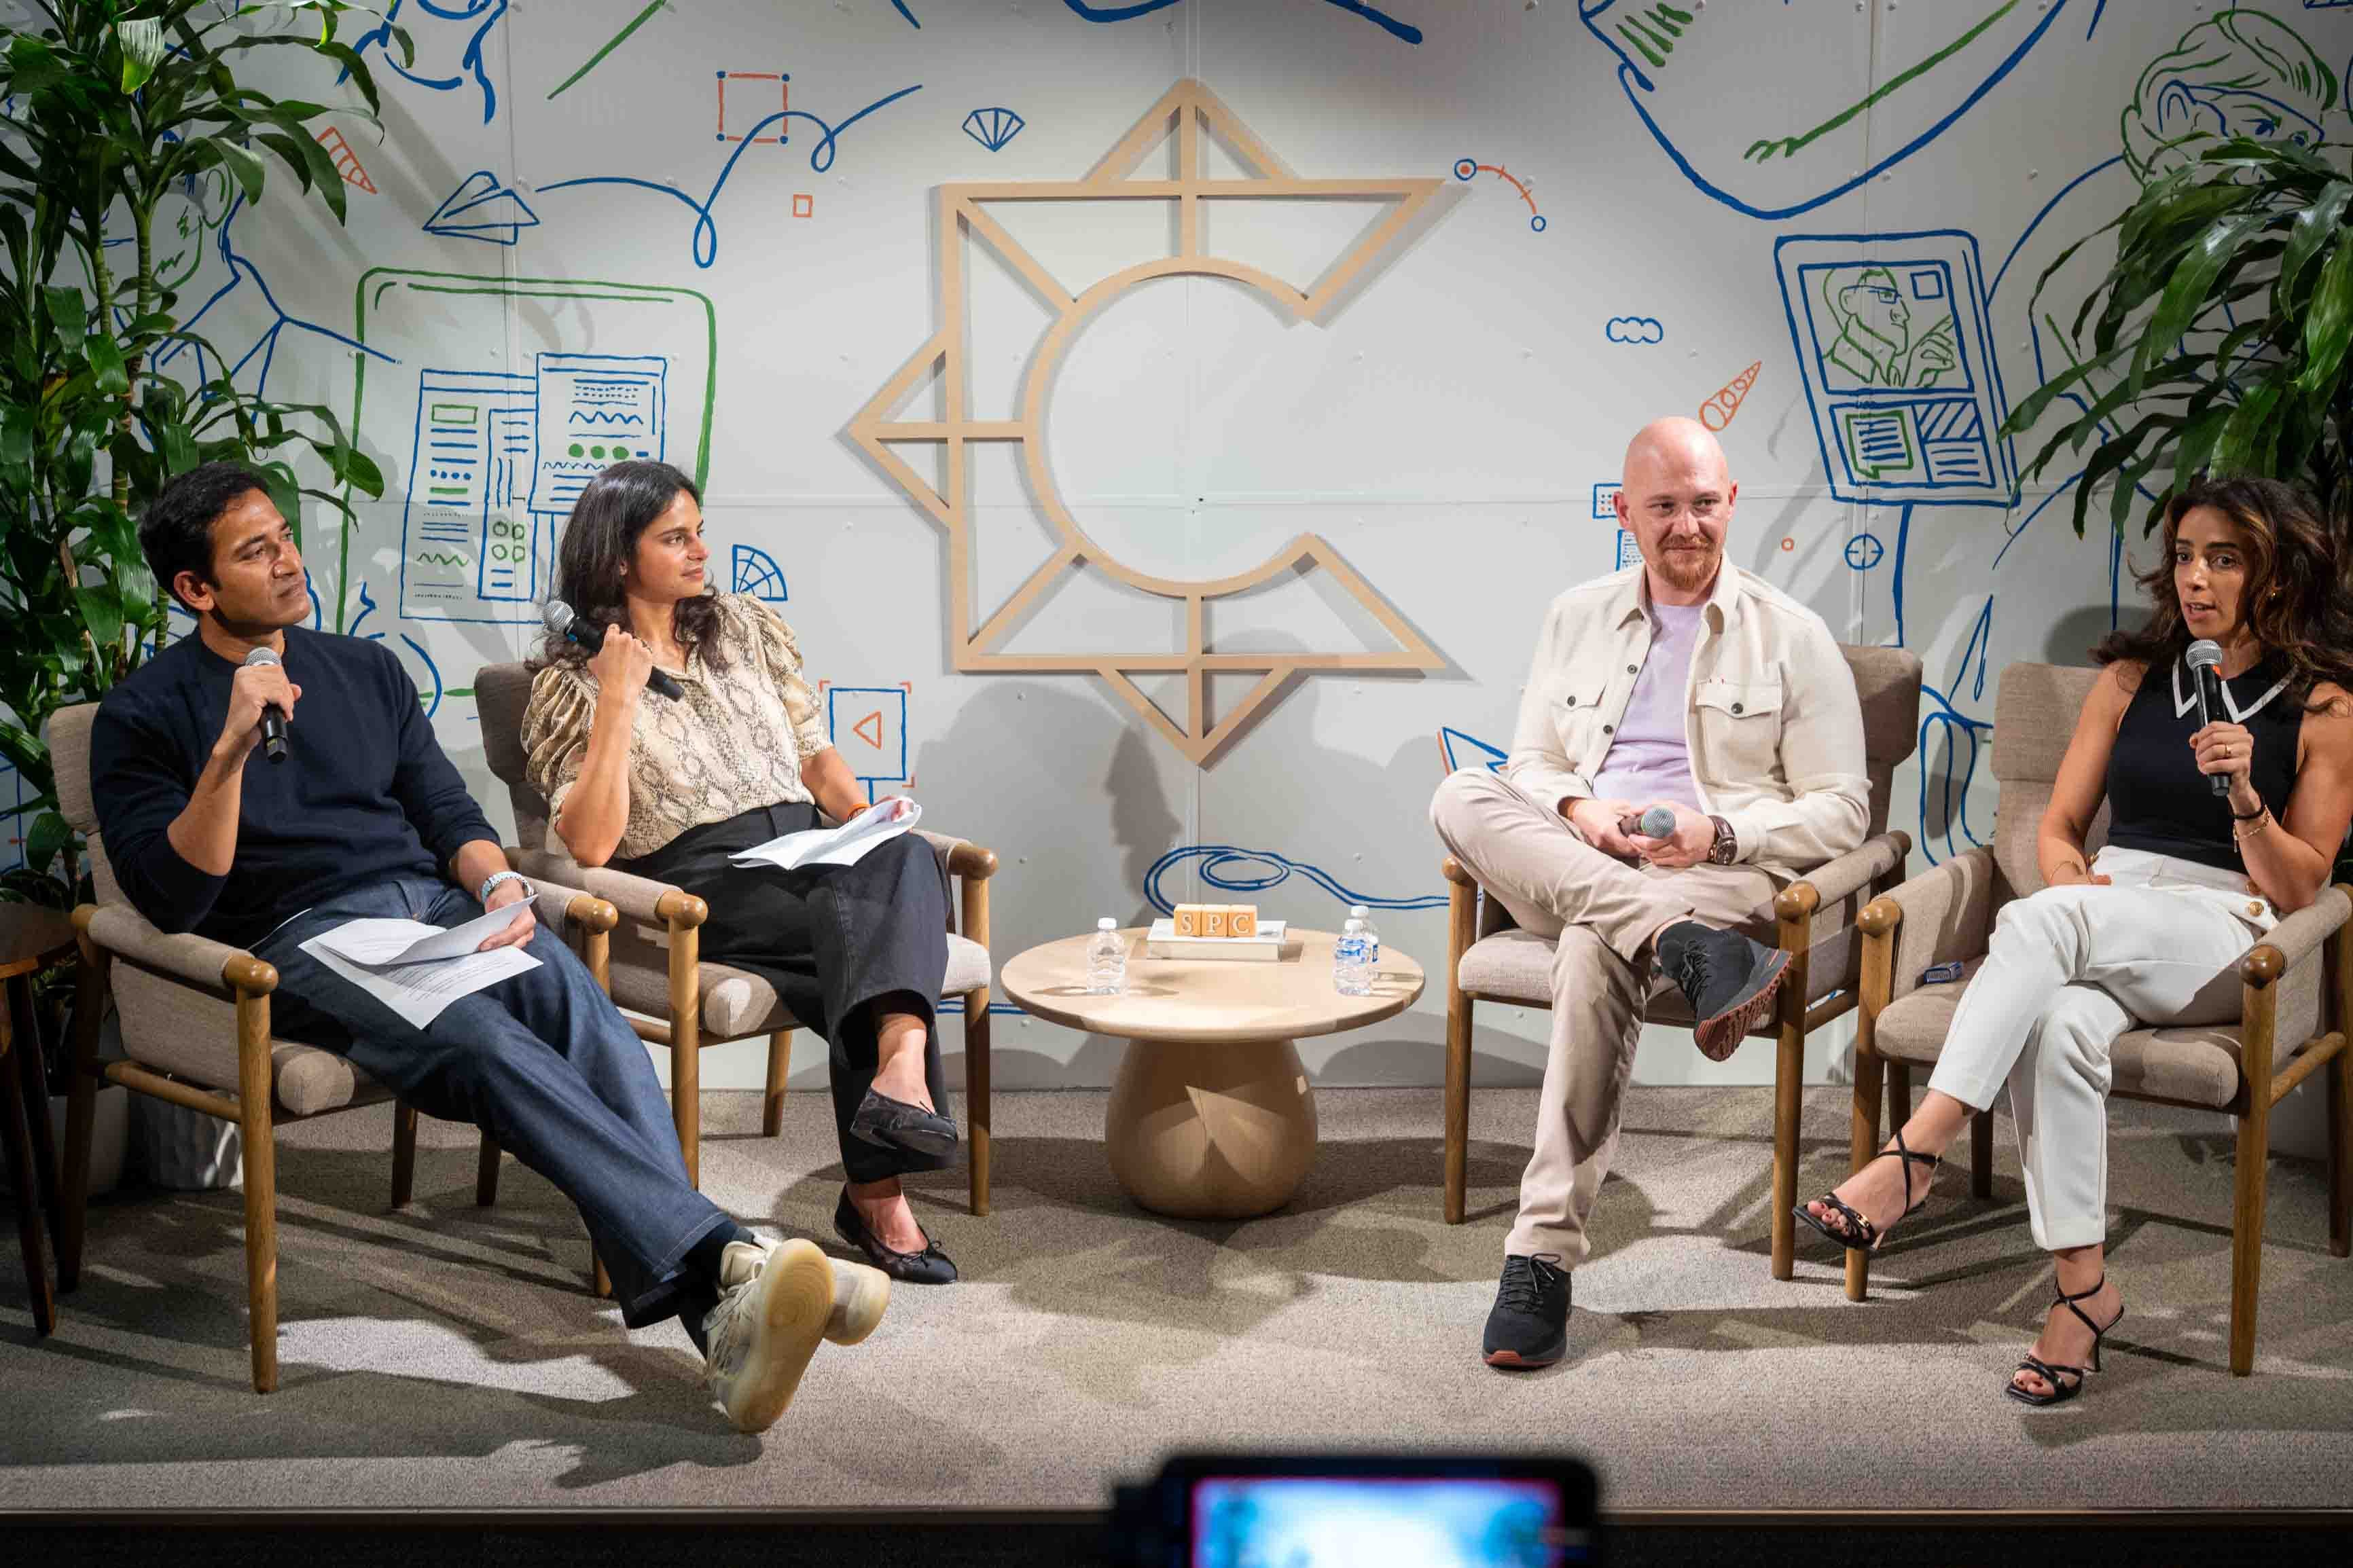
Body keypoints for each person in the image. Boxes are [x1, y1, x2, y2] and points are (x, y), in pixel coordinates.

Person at [90, 462, 888, 1434]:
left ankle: (727, 1299)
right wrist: (228, 753)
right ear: (196, 588)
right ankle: (730, 1261)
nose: (289, 560)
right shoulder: (143, 713)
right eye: (256, 552)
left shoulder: (365, 669)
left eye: (286, 537)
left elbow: (446, 812)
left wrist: (503, 888)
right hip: (305, 936)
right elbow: (171, 896)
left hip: (436, 908)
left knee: (583, 1011)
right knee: (482, 1042)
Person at [1797, 475, 2353, 1406]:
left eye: (2224, 559)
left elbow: (2306, 886)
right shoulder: (2131, 681)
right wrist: (2070, 889)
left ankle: (1916, 1151)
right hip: (2107, 905)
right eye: (2185, 556)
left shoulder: (2326, 708)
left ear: (2278, 572)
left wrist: (2246, 798)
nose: (2196, 578)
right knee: (2058, 1028)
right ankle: (2083, 1293)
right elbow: (2058, 829)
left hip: (2227, 927)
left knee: (2040, 922)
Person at [1429, 416, 1870, 1370]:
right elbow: (1530, 763)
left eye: (1704, 503)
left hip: (1715, 873)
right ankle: (1682, 945)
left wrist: (1724, 833)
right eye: (1663, 506)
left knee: (1594, 943)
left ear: (1731, 503)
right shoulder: (1574, 615)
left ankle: (1540, 1258)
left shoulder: (1793, 638)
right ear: (1624, 511)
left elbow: (1844, 810)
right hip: (1586, 856)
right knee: (1459, 791)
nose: (1686, 525)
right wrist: (1581, 808)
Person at [522, 460, 961, 1285]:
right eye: (675, 538)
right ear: (617, 558)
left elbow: (813, 752)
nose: (700, 551)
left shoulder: (745, 627)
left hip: (802, 851)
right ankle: (879, 1180)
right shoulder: (569, 685)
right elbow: (590, 843)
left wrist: (862, 819)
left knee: (896, 853)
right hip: (701, 880)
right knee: (861, 928)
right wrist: (617, 698)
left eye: (700, 532)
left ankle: (896, 1083)